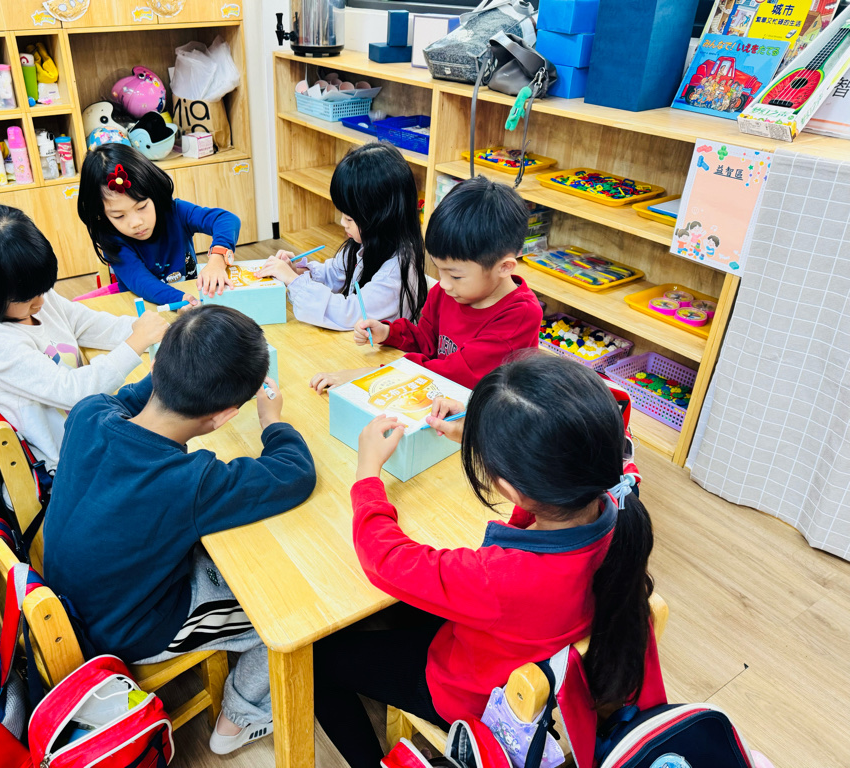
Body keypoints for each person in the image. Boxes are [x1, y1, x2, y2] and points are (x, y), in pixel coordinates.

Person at [313, 353, 656, 768]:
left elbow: (385, 560)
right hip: (524, 655)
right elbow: (538, 504)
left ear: (510, 488)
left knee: (318, 658)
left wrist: (367, 474)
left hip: (468, 696)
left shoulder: (501, 578)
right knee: (399, 615)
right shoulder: (618, 511)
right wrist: (486, 435)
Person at [43, 305, 317, 755]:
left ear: (156, 366)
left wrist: (183, 358)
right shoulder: (190, 482)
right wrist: (273, 420)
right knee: (286, 610)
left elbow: (131, 397)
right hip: (125, 629)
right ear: (224, 417)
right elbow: (294, 473)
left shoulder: (89, 413)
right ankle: (239, 719)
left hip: (73, 596)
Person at [0, 203, 167, 470]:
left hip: (87, 425)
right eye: (28, 299)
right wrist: (135, 343)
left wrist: (146, 330)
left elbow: (87, 324)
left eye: (43, 290)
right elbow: (74, 392)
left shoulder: (32, 296)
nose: (41, 301)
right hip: (64, 460)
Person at [310, 175, 542, 393]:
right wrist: (389, 333)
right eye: (440, 270)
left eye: (455, 276)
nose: (444, 284)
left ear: (504, 267)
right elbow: (427, 341)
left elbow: (456, 374)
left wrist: (370, 375)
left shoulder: (520, 315)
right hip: (438, 394)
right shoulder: (448, 292)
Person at [254, 143, 427, 330]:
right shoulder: (366, 244)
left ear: (382, 217)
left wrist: (293, 281)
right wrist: (296, 272)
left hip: (382, 348)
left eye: (350, 218)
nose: (343, 222)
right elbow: (333, 273)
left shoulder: (395, 273)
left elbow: (349, 314)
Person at [77, 142, 239, 306]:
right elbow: (141, 282)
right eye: (119, 216)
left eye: (142, 207)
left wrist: (218, 259)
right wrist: (180, 300)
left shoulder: (175, 211)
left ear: (154, 193)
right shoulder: (112, 238)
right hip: (146, 309)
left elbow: (226, 220)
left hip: (190, 298)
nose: (136, 223)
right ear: (102, 215)